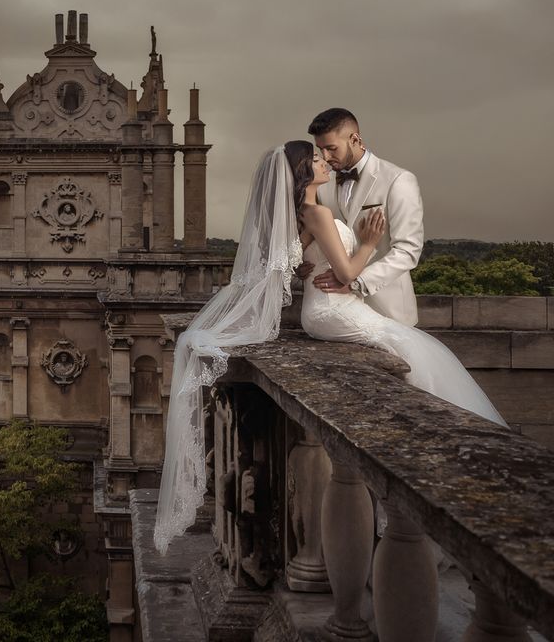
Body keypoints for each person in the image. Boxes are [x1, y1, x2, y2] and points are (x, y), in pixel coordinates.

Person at [152, 142, 505, 555]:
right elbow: (348, 272)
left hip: (320, 313)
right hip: (335, 310)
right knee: (415, 348)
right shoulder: (317, 212)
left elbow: (289, 263)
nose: (325, 162)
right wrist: (371, 241)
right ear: (303, 170)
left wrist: (305, 262)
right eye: (317, 159)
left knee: (412, 349)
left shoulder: (303, 215)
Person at [302, 108, 423, 326]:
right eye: (321, 150)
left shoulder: (398, 180)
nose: (326, 158)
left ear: (355, 139)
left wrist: (356, 283)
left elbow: (408, 251)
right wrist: (301, 266)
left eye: (331, 148)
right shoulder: (321, 183)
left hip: (388, 308)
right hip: (337, 310)